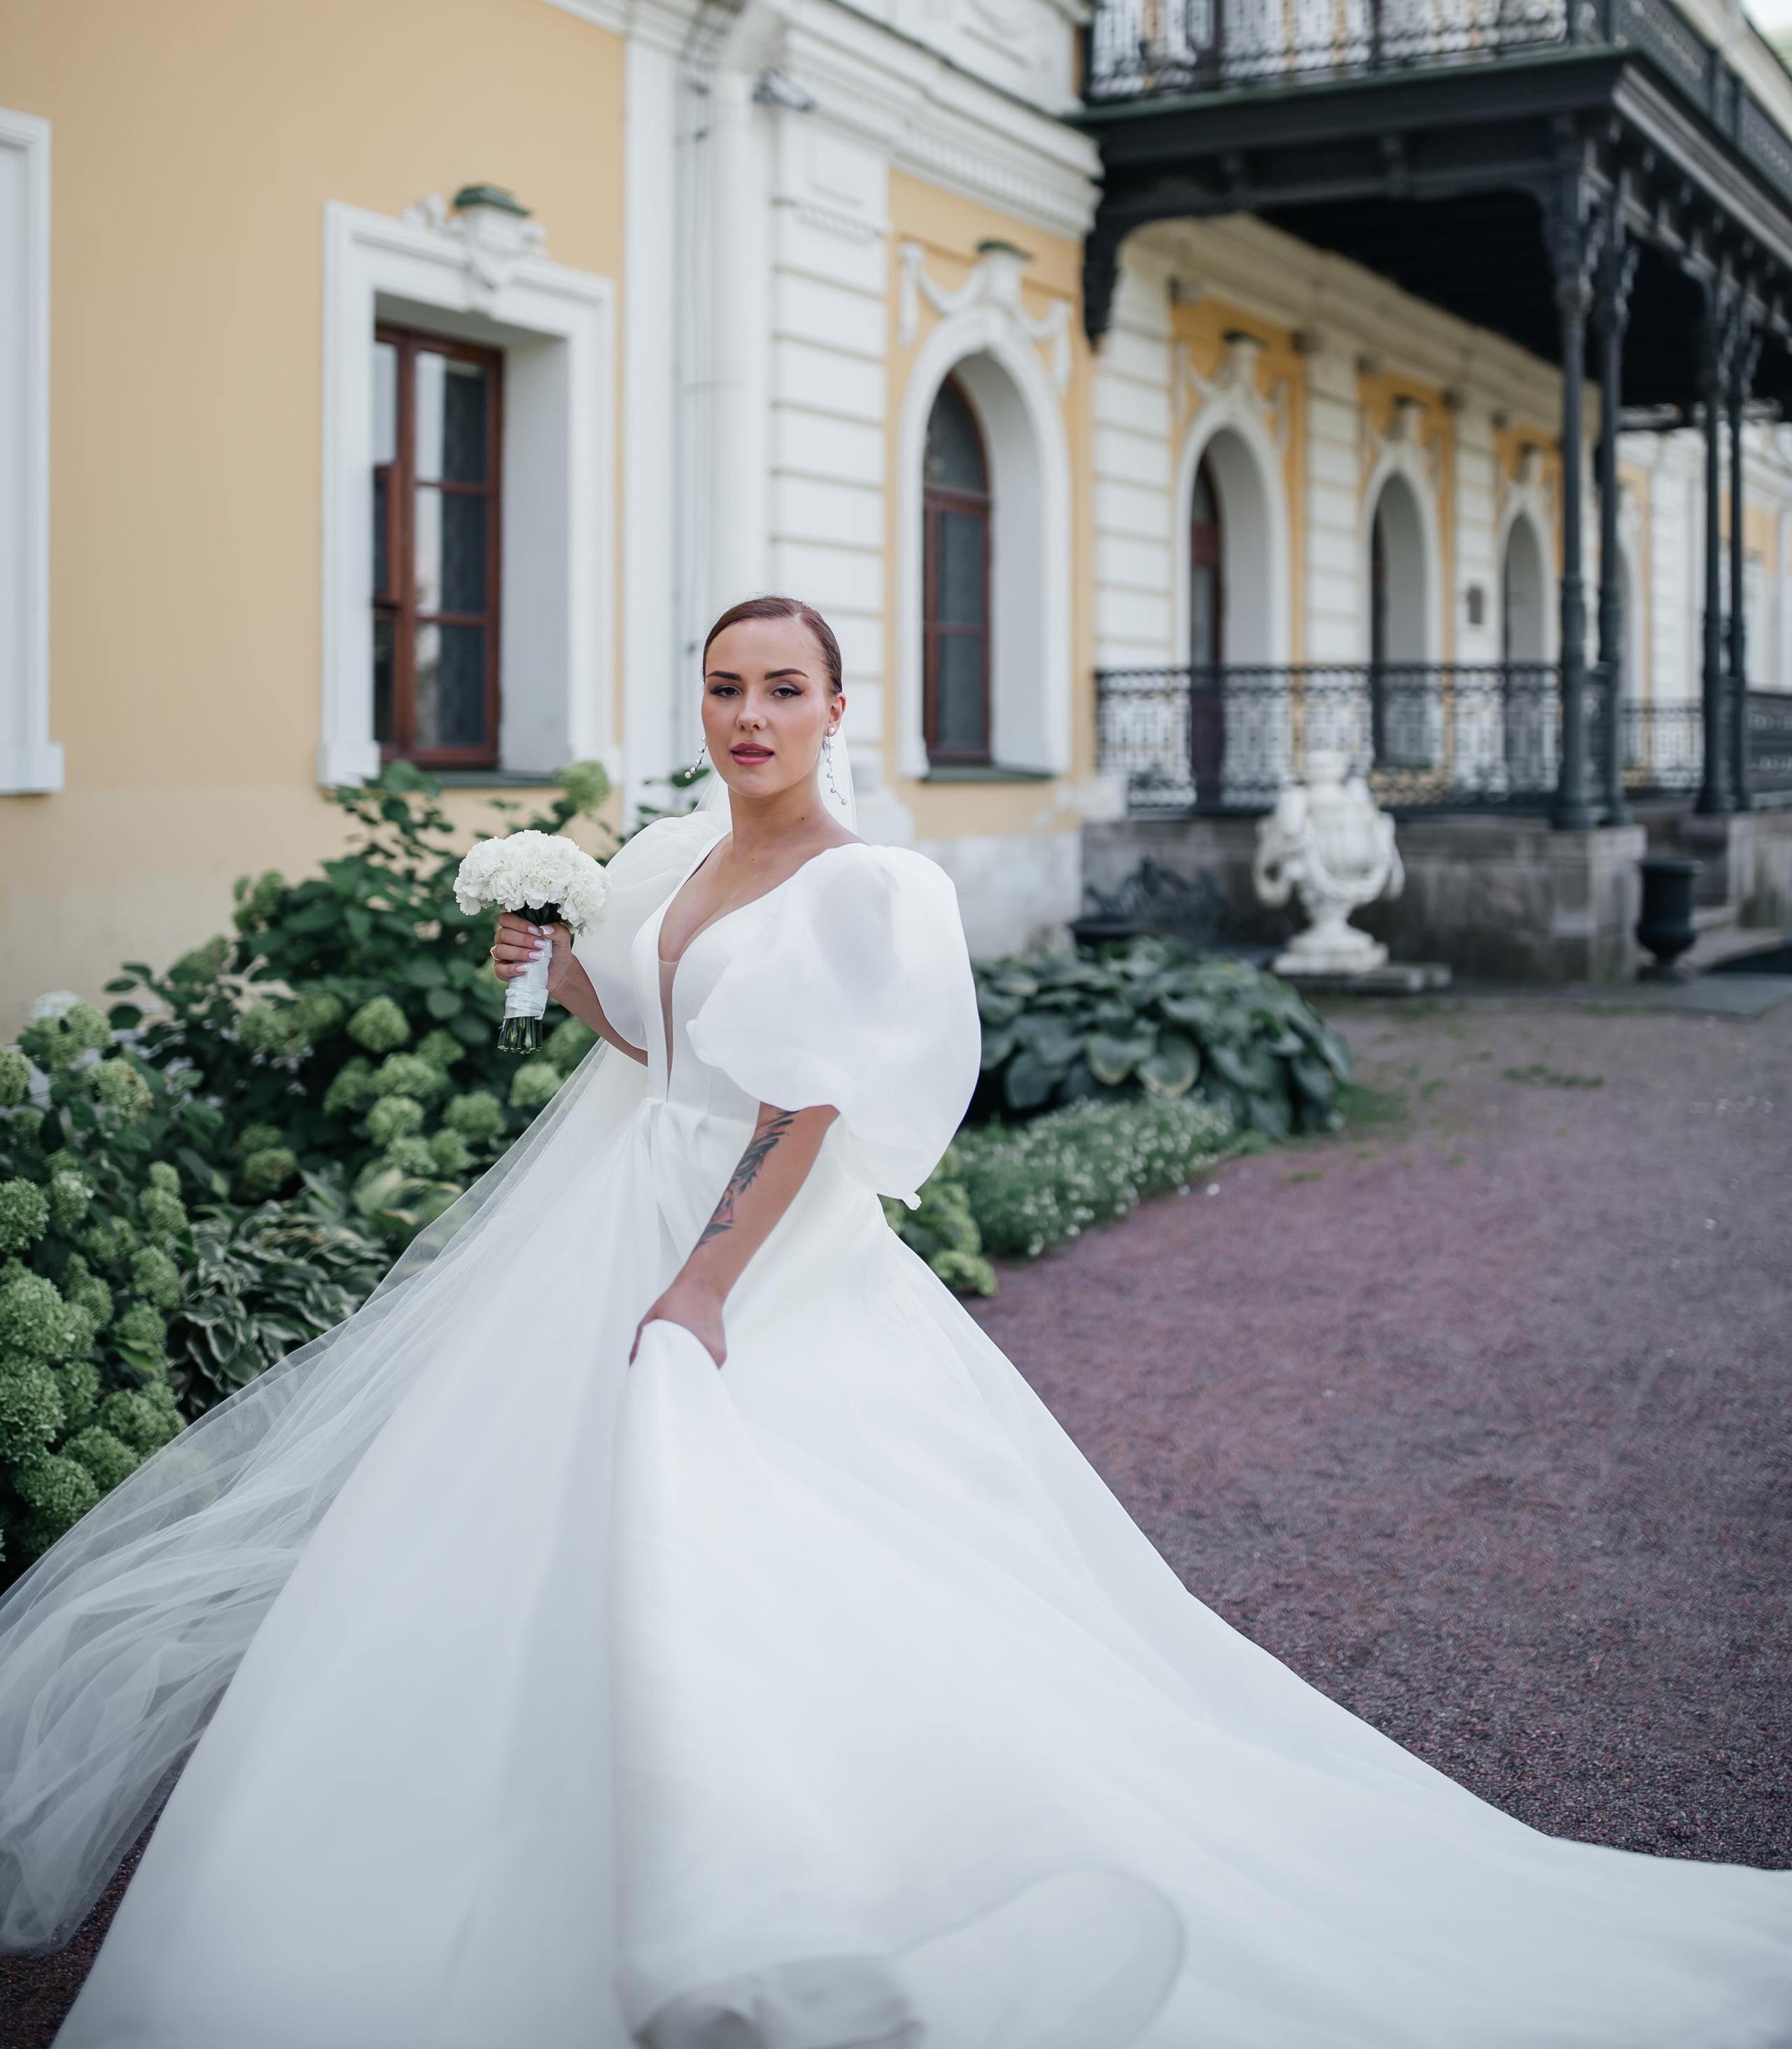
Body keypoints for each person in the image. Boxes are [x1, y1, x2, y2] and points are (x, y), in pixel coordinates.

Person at [1, 594, 1787, 2048]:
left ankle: (788, 1863)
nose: (749, 715)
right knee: (500, 1542)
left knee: (740, 1538)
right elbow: (671, 1053)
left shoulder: (870, 889)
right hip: (602, 1217)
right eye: (724, 689)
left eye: (781, 688)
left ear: (835, 704)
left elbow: (810, 1107)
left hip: (755, 1256)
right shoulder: (673, 857)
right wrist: (555, 978)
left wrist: (701, 1283)